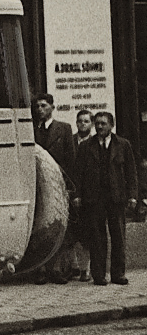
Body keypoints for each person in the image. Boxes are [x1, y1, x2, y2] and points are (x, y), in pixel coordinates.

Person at [74, 112, 138, 286]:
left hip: (116, 198)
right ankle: (99, 275)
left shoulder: (123, 145)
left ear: (112, 125)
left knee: (118, 236)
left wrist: (132, 196)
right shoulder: (86, 146)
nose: (100, 127)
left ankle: (118, 274)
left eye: (103, 124)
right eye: (97, 124)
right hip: (94, 199)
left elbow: (131, 173)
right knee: (97, 237)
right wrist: (78, 195)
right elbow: (79, 174)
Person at [32, 93, 77, 283]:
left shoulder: (64, 129)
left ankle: (56, 269)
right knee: (39, 224)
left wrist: (68, 185)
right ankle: (40, 269)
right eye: (37, 106)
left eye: (43, 105)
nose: (40, 109)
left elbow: (71, 159)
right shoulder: (32, 130)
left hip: (58, 183)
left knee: (58, 225)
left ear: (52, 107)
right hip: (37, 184)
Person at [69, 109, 95, 281]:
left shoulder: (95, 143)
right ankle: (73, 266)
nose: (82, 124)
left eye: (86, 121)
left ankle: (87, 269)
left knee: (88, 233)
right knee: (71, 233)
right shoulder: (70, 141)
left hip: (90, 195)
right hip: (72, 191)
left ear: (91, 124)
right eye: (80, 121)